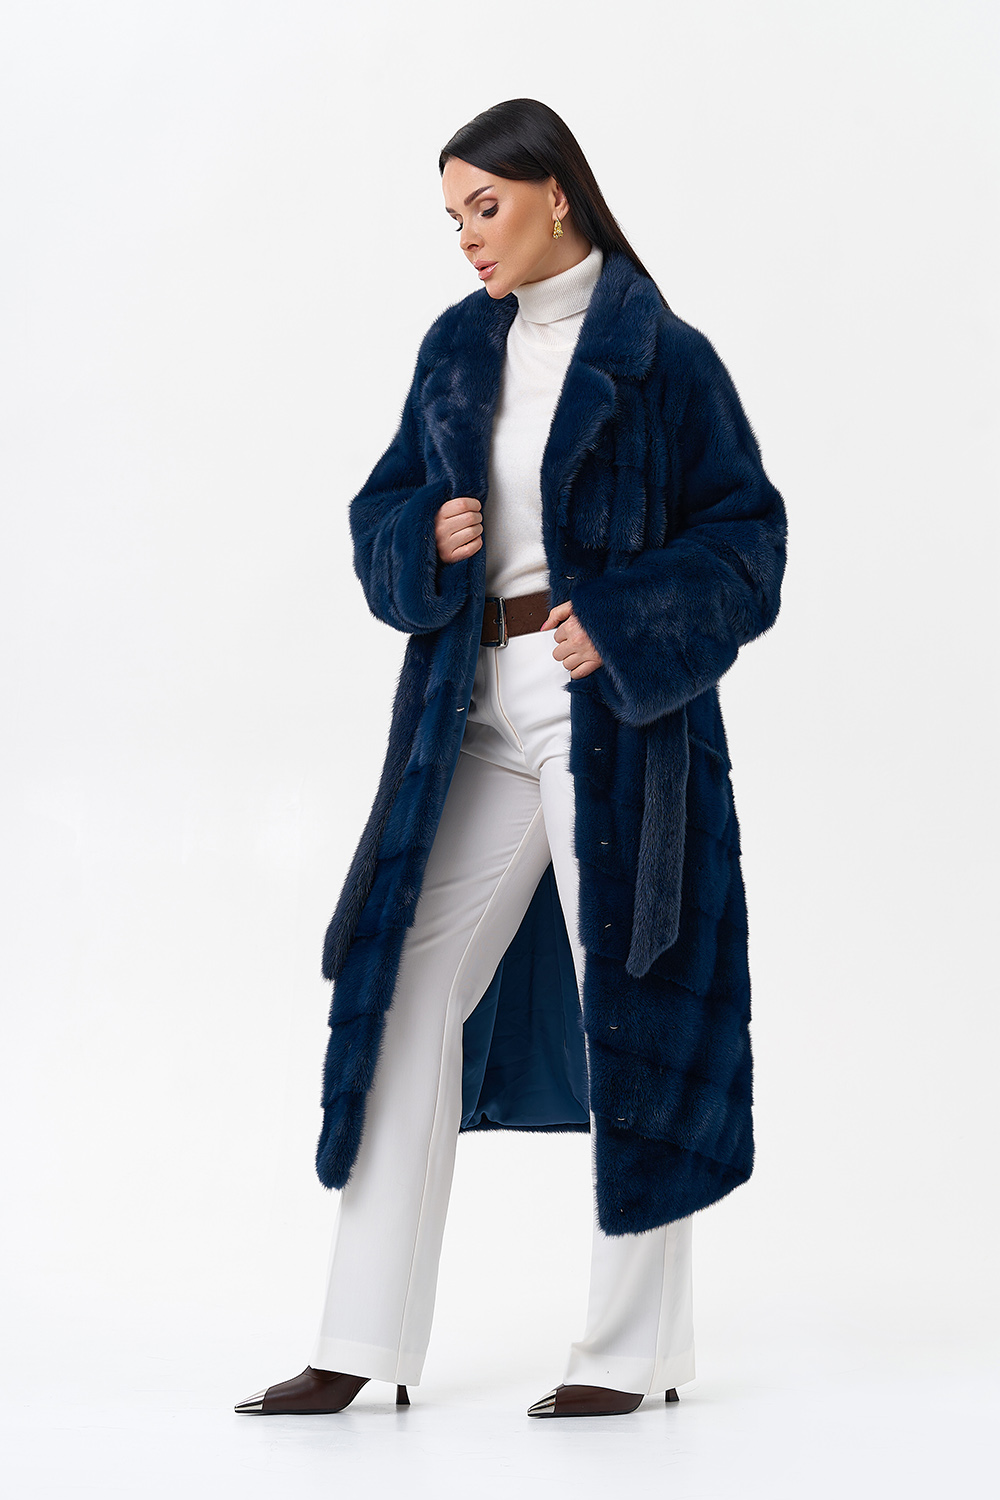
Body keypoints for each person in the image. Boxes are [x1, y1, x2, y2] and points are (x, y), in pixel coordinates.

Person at [236, 98, 787, 1421]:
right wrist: (421, 536)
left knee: (634, 997)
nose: (469, 238)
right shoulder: (456, 349)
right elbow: (380, 508)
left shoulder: (662, 357)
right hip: (466, 701)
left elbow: (747, 541)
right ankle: (360, 1339)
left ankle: (630, 1353)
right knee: (404, 987)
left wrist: (631, 620)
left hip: (609, 712)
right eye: (453, 218)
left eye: (485, 206)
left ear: (557, 195)